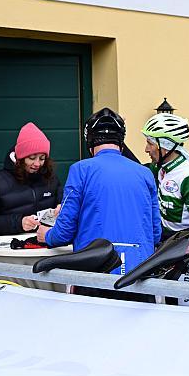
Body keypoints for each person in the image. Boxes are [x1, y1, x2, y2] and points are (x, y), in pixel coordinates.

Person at [37, 107, 162, 301]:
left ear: (90, 142)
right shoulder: (145, 173)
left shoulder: (81, 170)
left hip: (96, 274)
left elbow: (64, 232)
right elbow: (155, 232)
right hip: (139, 274)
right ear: (121, 144)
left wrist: (46, 235)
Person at [142, 113, 189, 306]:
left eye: (150, 143)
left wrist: (169, 240)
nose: (146, 149)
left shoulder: (188, 176)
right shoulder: (163, 167)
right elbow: (136, 168)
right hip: (173, 252)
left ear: (164, 145)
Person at [0, 123, 63, 235]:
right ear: (20, 157)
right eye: (31, 158)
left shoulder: (50, 178)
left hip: (45, 241)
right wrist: (18, 223)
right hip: (9, 246)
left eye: (42, 158)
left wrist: (62, 208)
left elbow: (63, 202)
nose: (37, 164)